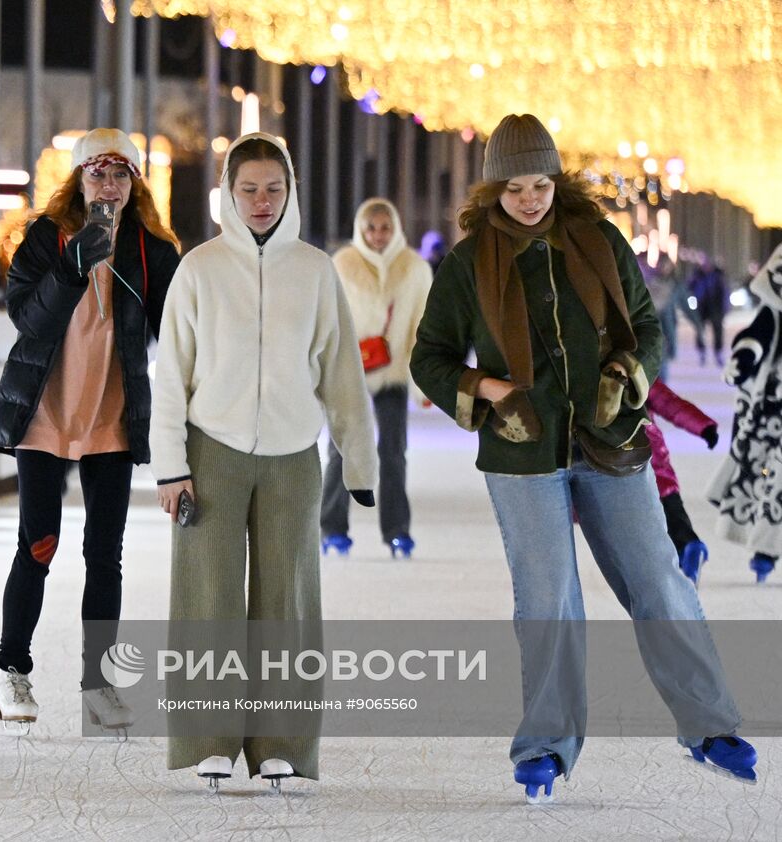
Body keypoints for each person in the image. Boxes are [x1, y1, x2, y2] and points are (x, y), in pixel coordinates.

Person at [410, 114, 756, 803]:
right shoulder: (469, 264)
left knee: (658, 580)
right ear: (494, 190)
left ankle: (710, 725)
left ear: (556, 180)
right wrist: (490, 390)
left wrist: (627, 373)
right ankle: (545, 745)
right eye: (514, 188)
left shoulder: (598, 240)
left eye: (540, 184)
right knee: (549, 599)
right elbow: (431, 358)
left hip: (610, 440)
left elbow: (647, 327)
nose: (529, 199)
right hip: (523, 451)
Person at [151, 133, 378, 789]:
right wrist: (171, 466)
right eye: (248, 189)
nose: (261, 201)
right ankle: (209, 739)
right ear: (228, 192)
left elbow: (342, 374)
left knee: (289, 602)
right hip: (210, 452)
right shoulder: (199, 269)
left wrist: (359, 465)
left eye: (273, 189)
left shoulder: (315, 270)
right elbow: (171, 377)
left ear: (290, 193)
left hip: (291, 457)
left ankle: (283, 742)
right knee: (208, 599)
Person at [0, 128, 180, 734]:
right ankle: (12, 667)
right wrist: (73, 265)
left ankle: (99, 681)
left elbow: (178, 329)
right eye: (98, 173)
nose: (109, 185)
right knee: (38, 544)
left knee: (105, 554)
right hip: (45, 410)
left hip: (112, 414)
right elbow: (26, 318)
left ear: (136, 184)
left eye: (121, 174)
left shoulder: (149, 248)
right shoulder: (46, 237)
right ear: (78, 179)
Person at [321, 198, 432, 557]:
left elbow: (421, 326)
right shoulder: (342, 265)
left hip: (393, 371)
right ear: (360, 229)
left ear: (396, 228)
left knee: (393, 452)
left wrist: (423, 384)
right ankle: (332, 527)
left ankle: (398, 530)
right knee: (342, 449)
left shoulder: (414, 268)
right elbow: (327, 321)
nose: (378, 235)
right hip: (349, 371)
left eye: (385, 227)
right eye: (371, 228)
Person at [707, 242, 782, 583]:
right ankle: (766, 550)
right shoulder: (774, 310)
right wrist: (744, 358)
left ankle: (766, 550)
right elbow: (757, 334)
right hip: (772, 408)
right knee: (770, 476)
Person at [642, 379, 719, 583]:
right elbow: (671, 404)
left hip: (626, 466)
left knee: (647, 523)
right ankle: (689, 544)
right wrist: (703, 426)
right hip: (655, 461)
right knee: (672, 511)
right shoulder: (640, 373)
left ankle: (675, 561)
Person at [690, 257, 728, 366]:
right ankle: (702, 352)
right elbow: (690, 289)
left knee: (718, 331)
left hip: (715, 307)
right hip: (701, 307)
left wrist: (725, 308)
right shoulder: (697, 276)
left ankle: (718, 352)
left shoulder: (718, 276)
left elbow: (724, 293)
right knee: (700, 330)